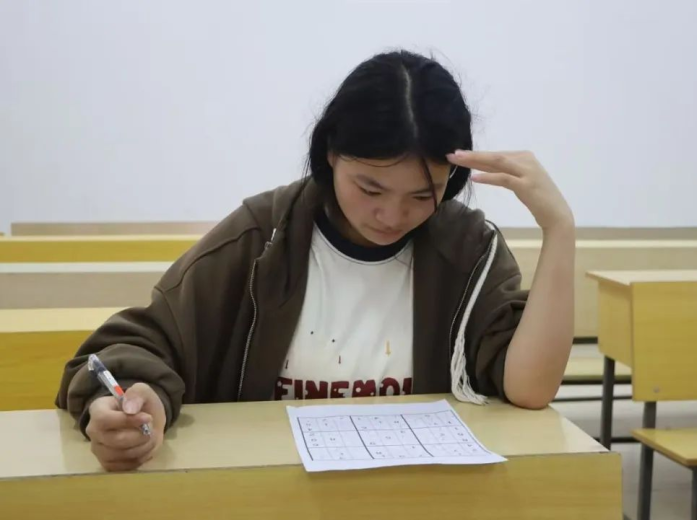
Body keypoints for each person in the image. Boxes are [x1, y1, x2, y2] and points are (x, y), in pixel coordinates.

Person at [56, 50, 575, 472]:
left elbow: (529, 390)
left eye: (423, 195)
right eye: (370, 188)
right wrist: (133, 401)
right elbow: (135, 346)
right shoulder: (262, 238)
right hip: (271, 494)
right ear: (330, 152)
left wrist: (559, 228)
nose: (392, 216)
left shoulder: (466, 250)